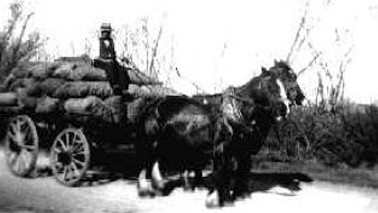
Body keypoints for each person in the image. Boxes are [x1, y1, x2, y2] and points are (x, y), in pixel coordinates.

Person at [93, 23, 130, 96]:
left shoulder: (112, 42)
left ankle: (124, 88)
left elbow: (115, 54)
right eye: (104, 32)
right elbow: (94, 57)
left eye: (108, 32)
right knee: (110, 66)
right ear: (102, 32)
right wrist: (106, 60)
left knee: (121, 69)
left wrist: (122, 59)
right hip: (100, 61)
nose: (106, 34)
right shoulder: (97, 42)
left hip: (111, 61)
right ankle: (114, 85)